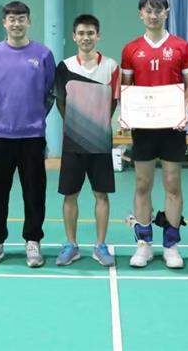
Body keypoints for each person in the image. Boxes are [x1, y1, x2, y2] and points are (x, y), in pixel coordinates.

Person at [120, 0, 188, 269]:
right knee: (143, 184)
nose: (153, 16)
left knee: (172, 184)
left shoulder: (181, 46)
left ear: (167, 12)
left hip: (172, 126)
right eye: (148, 11)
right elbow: (126, 87)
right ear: (140, 14)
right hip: (143, 126)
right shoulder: (131, 49)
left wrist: (184, 110)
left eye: (158, 11)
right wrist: (125, 115)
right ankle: (144, 244)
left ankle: (171, 246)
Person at [0, 1, 56, 269]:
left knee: (34, 192)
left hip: (32, 137)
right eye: (11, 19)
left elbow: (49, 93)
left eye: (21, 18)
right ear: (4, 23)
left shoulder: (43, 54)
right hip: (0, 136)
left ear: (29, 22)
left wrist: (33, 119)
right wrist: (3, 117)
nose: (16, 23)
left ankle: (32, 241)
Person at [54, 14, 120, 267]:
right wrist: (77, 126)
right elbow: (61, 102)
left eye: (90, 33)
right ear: (74, 36)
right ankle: (71, 245)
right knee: (70, 195)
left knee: (101, 194)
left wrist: (96, 125)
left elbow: (113, 102)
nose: (86, 38)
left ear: (98, 36)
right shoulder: (65, 66)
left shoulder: (111, 66)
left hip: (100, 142)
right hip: (73, 142)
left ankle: (100, 246)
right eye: (81, 33)